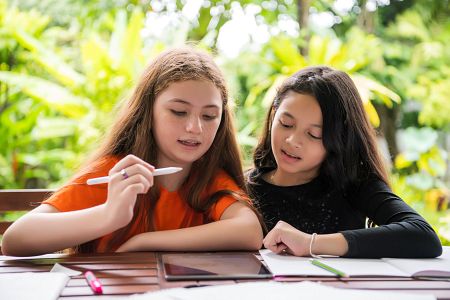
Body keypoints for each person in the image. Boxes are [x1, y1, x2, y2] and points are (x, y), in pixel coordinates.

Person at [2, 47, 263, 256]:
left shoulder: (207, 179)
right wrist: (108, 215)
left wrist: (144, 242)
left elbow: (248, 231)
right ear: (148, 112)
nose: (195, 127)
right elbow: (15, 240)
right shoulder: (116, 172)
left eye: (209, 116)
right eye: (179, 112)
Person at [246, 66, 442, 258]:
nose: (292, 141)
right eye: (286, 124)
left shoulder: (353, 183)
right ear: (273, 114)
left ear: (339, 139)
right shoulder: (242, 187)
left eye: (314, 134)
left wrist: (311, 244)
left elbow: (423, 236)